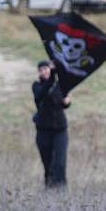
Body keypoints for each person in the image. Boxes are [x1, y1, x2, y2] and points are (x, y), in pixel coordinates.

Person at [32, 60, 71, 188]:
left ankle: (61, 190)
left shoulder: (60, 86)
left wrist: (67, 101)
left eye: (47, 68)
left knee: (59, 162)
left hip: (60, 129)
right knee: (48, 163)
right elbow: (42, 93)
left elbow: (64, 103)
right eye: (42, 69)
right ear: (39, 72)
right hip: (43, 130)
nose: (45, 71)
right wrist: (54, 73)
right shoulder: (37, 86)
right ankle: (49, 188)